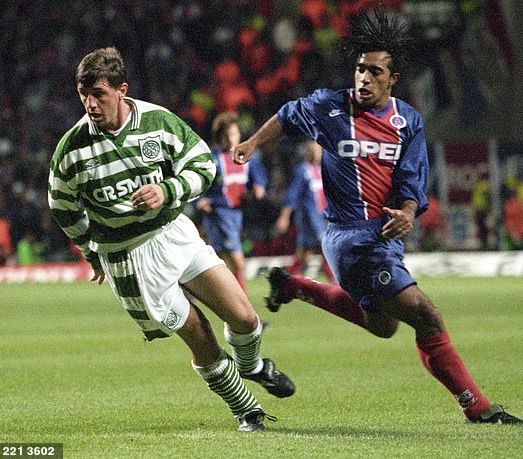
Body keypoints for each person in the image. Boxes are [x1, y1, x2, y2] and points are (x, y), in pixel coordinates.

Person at [232, 6, 520, 424]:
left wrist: (407, 211)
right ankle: (478, 408)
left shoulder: (407, 121)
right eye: (359, 69)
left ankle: (295, 286)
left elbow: (412, 178)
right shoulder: (330, 108)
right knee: (425, 313)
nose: (364, 78)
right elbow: (287, 114)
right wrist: (253, 143)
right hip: (349, 237)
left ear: (393, 79)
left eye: (374, 72)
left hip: (384, 236)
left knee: (382, 325)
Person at [48, 47, 294, 432]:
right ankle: (246, 410)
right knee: (202, 338)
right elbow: (62, 207)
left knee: (246, 318)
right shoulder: (71, 150)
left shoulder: (157, 121)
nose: (90, 104)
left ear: (121, 90)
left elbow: (204, 165)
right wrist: (91, 253)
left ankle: (253, 366)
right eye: (83, 95)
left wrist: (167, 190)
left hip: (173, 233)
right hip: (129, 259)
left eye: (98, 94)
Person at [194, 111, 267, 292]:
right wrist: (201, 199)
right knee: (238, 263)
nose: (231, 138)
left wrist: (258, 188)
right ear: (220, 137)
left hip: (237, 215)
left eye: (234, 134)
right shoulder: (212, 159)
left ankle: (196, 295)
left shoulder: (248, 157)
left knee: (222, 265)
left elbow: (258, 180)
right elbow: (198, 183)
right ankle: (246, 312)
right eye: (227, 135)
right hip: (218, 214)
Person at [274, 139, 335, 281]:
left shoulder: (321, 171)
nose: (317, 154)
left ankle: (284, 281)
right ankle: (335, 282)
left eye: (319, 151)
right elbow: (292, 195)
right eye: (313, 151)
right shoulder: (302, 170)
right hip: (309, 218)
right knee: (326, 248)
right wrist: (284, 216)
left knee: (303, 254)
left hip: (320, 218)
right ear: (308, 153)